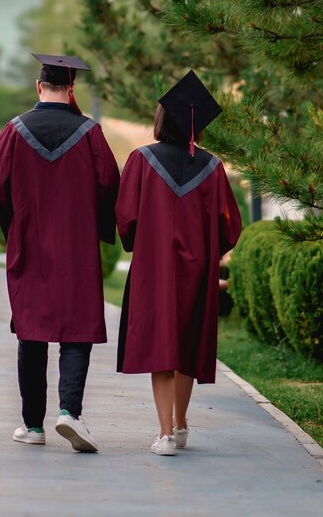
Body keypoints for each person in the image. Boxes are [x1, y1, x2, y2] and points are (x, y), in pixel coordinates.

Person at [0, 53, 120, 453]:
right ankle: (70, 413)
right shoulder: (90, 133)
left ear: (38, 87)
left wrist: (15, 228)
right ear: (72, 89)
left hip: (30, 244)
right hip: (76, 246)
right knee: (75, 331)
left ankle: (32, 426)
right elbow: (109, 185)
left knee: (32, 332)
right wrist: (93, 226)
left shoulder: (13, 131)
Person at [114, 71, 242, 456]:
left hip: (156, 269)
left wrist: (140, 244)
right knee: (186, 343)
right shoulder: (213, 167)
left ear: (161, 119)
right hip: (197, 270)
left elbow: (126, 216)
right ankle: (182, 424)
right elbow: (230, 226)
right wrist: (209, 251)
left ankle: (166, 432)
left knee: (161, 347)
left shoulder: (140, 160)